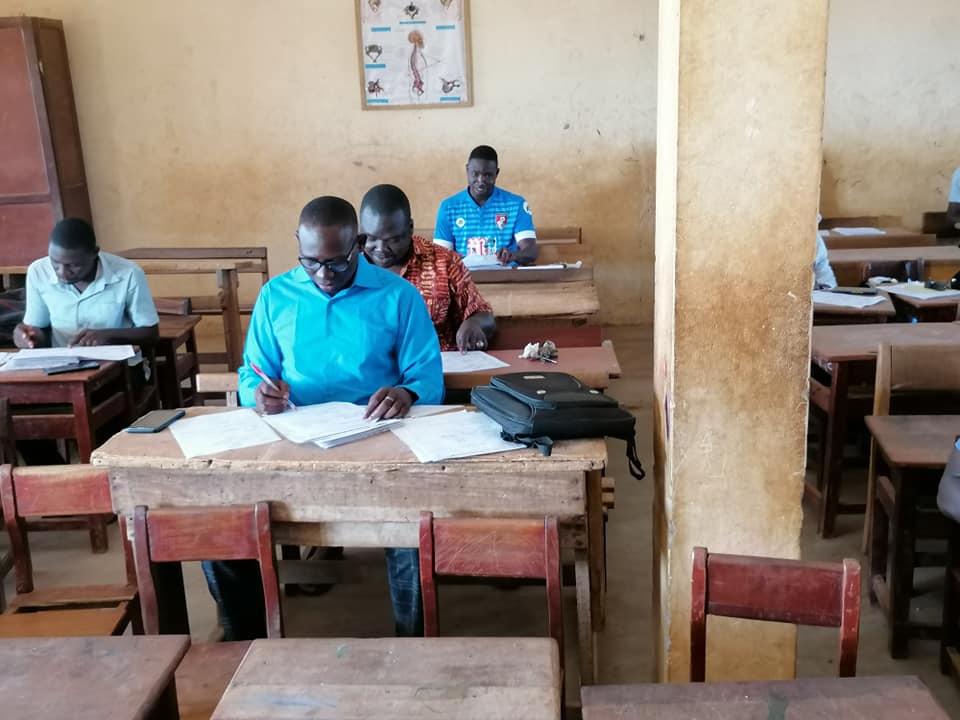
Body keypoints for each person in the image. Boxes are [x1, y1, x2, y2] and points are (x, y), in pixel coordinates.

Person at [203, 196, 443, 641]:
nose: (324, 274)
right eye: (311, 261)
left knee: (413, 525)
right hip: (294, 441)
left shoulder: (397, 296)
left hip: (375, 442)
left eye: (337, 263)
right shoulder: (276, 296)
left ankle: (412, 643)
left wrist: (406, 392)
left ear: (359, 245)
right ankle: (245, 645)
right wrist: (258, 394)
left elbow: (427, 374)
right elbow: (251, 373)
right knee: (219, 522)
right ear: (298, 244)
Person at [360, 183, 495, 351]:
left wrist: (474, 324)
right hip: (370, 365)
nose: (380, 249)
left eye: (392, 240)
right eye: (371, 238)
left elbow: (483, 314)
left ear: (410, 229)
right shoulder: (349, 266)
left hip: (438, 363)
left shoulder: (444, 262)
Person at [14, 217, 159, 349]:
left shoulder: (129, 274)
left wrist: (108, 335)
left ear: (94, 253)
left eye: (73, 265)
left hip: (116, 362)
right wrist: (27, 337)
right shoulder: (38, 271)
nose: (62, 272)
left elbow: (151, 334)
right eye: (55, 263)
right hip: (62, 361)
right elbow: (38, 328)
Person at [434, 145, 538, 265]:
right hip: (464, 275)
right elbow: (440, 256)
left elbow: (531, 252)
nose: (481, 181)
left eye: (488, 175)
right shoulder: (448, 208)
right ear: (467, 170)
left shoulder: (516, 205)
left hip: (505, 275)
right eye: (475, 174)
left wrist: (512, 255)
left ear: (496, 173)